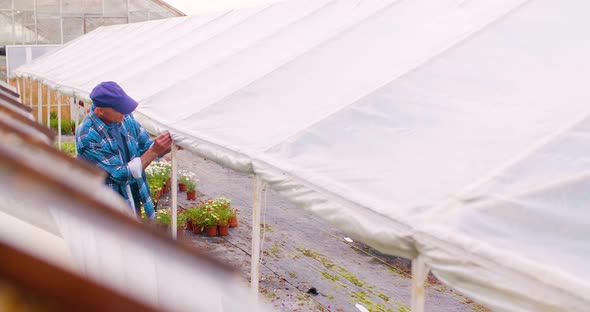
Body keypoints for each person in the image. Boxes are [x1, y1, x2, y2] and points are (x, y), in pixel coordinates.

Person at [76, 81, 172, 219]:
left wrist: (165, 147)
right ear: (100, 110)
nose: (125, 112)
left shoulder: (125, 117)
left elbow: (145, 146)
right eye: (119, 109)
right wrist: (154, 151)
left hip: (131, 193)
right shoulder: (87, 135)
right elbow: (120, 174)